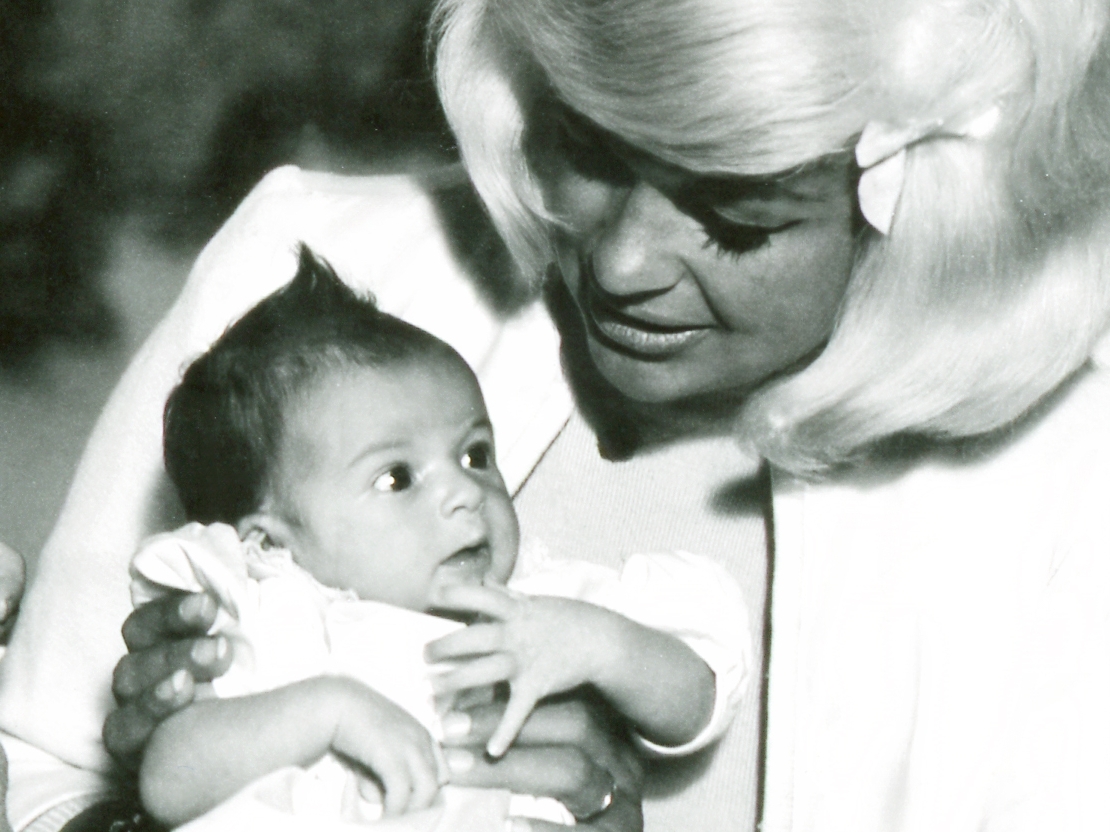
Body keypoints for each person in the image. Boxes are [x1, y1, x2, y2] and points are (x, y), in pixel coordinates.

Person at [1, 0, 1109, 830]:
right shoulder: (319, 281)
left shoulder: (1063, 471)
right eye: (587, 147)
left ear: (923, 204)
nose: (624, 263)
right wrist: (172, 792)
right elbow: (35, 775)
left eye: (731, 214)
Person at [131, 245, 747, 829]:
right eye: (397, 476)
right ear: (270, 545)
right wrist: (328, 711)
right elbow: (168, 781)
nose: (464, 491)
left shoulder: (536, 605)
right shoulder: (281, 618)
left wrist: (603, 645)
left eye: (476, 454)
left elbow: (700, 691)